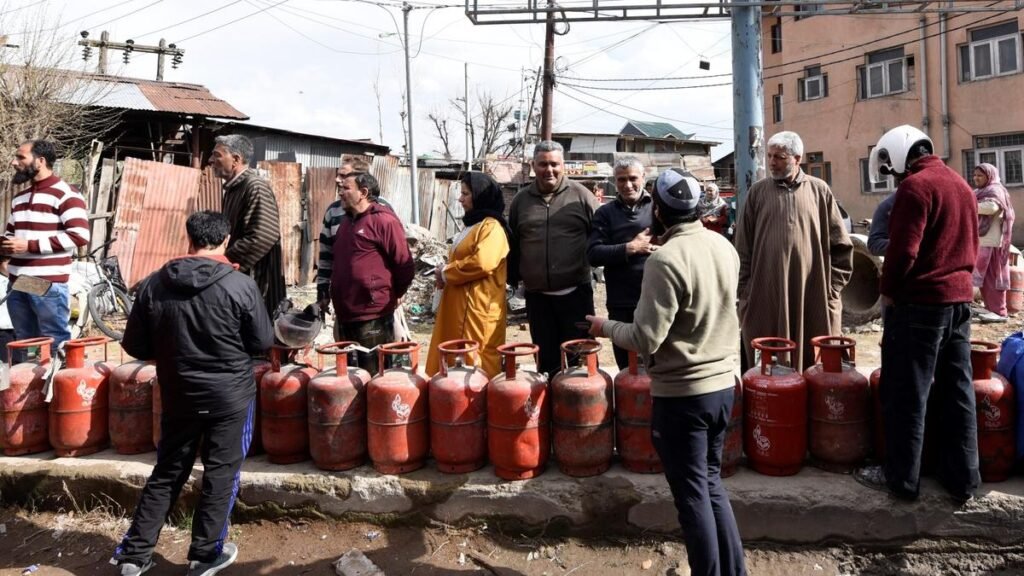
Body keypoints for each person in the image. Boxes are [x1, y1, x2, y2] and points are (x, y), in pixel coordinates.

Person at [586, 168, 745, 576]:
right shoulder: (722, 246)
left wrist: (605, 327)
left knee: (692, 496)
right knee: (710, 484)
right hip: (723, 386)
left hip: (684, 395)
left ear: (657, 210)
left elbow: (645, 338)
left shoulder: (666, 259)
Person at [111, 211, 273, 576]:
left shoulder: (154, 285)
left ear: (189, 239)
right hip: (229, 397)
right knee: (221, 471)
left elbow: (135, 344)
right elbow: (262, 341)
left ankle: (134, 555)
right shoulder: (239, 285)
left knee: (168, 469)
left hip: (179, 394)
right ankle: (205, 553)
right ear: (226, 240)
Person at [855, 125, 980, 504]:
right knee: (957, 392)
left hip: (920, 306)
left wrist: (888, 292)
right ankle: (963, 479)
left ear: (898, 157)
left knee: (906, 394)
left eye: (893, 171)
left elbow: (903, 252)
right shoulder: (960, 184)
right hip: (959, 305)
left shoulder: (916, 186)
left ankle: (902, 480)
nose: (896, 180)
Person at [735, 131, 853, 372]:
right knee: (765, 364)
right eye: (769, 156)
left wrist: (831, 290)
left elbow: (841, 246)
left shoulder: (819, 191)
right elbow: (743, 248)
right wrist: (744, 292)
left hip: (812, 293)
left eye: (779, 156)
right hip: (765, 294)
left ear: (797, 159)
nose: (772, 162)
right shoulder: (757, 193)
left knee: (818, 362)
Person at [508, 140, 600, 378]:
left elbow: (599, 237)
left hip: (576, 296)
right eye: (543, 164)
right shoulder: (521, 201)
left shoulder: (582, 196)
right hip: (538, 299)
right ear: (533, 166)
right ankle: (550, 412)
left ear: (564, 166)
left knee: (581, 363)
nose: (549, 170)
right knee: (546, 365)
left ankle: (583, 414)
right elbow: (514, 244)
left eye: (554, 164)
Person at [3, 140, 89, 358]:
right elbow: (13, 236)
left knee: (53, 340)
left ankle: (58, 388)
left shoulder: (65, 194)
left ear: (40, 161)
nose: (14, 162)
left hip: (44, 282)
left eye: (21, 157)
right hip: (17, 281)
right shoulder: (19, 198)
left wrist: (29, 246)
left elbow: (79, 235)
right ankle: (31, 389)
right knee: (24, 342)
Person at [426, 172, 510, 377]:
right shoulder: (471, 226)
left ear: (480, 196)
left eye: (465, 194)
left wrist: (446, 272)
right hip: (458, 305)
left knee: (476, 363)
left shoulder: (491, 227)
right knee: (456, 361)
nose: (460, 199)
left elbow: (482, 262)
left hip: (477, 309)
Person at [331, 172, 415, 375]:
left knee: (374, 377)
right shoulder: (344, 224)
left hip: (372, 315)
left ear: (364, 192)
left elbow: (404, 266)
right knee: (349, 379)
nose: (340, 192)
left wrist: (394, 294)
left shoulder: (384, 221)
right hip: (345, 314)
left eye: (346, 188)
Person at [586, 157, 654, 370]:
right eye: (621, 179)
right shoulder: (605, 213)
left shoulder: (658, 209)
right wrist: (630, 248)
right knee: (628, 370)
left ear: (643, 178)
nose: (627, 185)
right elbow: (594, 254)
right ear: (614, 182)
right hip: (621, 302)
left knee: (657, 366)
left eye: (633, 178)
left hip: (656, 300)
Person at [211, 134, 286, 316]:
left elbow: (262, 236)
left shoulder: (254, 186)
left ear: (236, 159)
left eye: (217, 155)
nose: (211, 159)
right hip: (240, 281)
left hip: (257, 283)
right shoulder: (233, 188)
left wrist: (225, 263)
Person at [316, 157, 373, 336]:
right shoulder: (333, 211)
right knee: (346, 355)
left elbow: (397, 256)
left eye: (343, 175)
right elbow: (326, 255)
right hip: (344, 301)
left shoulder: (380, 210)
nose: (337, 180)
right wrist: (323, 290)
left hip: (374, 303)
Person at [972, 162, 1015, 318]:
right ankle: (990, 308)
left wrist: (968, 204)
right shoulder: (979, 191)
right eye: (975, 175)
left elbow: (991, 208)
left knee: (993, 279)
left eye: (980, 175)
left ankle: (999, 311)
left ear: (989, 176)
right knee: (983, 279)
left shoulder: (995, 190)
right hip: (981, 241)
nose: (976, 178)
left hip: (992, 242)